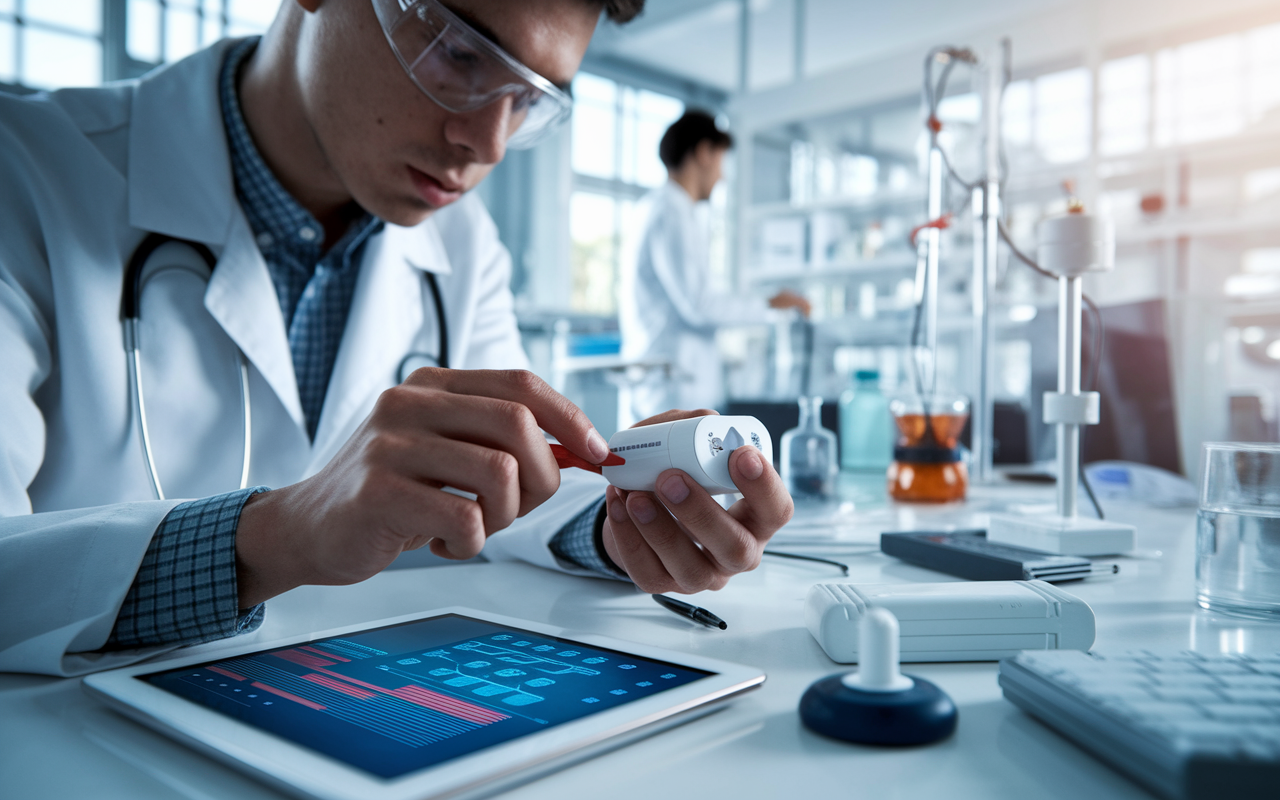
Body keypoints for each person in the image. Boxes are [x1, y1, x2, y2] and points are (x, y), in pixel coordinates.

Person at [0, 0, 793, 677]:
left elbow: (517, 480)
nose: (485, 144)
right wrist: (275, 537)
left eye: (528, 100)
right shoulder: (27, 175)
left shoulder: (463, 244)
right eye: (458, 52)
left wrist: (624, 525)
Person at [620, 110, 810, 420]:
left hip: (668, 383)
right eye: (722, 161)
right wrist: (771, 304)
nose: (722, 176)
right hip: (672, 386)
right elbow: (699, 305)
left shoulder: (663, 209)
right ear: (704, 153)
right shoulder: (671, 213)